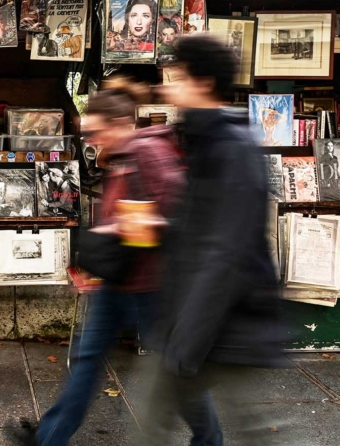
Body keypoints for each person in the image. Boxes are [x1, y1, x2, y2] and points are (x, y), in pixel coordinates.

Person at [143, 34, 288, 446]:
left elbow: (225, 251)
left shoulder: (233, 149)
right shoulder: (202, 140)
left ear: (203, 83)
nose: (166, 86)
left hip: (223, 323)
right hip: (198, 319)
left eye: (176, 76)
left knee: (240, 429)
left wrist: (186, 341)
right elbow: (201, 232)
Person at [20, 88, 185, 446]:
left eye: (99, 132)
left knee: (176, 368)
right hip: (119, 279)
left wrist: (124, 228)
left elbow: (177, 214)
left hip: (151, 284)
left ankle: (208, 437)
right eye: (89, 133)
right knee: (87, 357)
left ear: (123, 124)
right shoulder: (122, 155)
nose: (94, 141)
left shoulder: (150, 153)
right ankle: (49, 438)